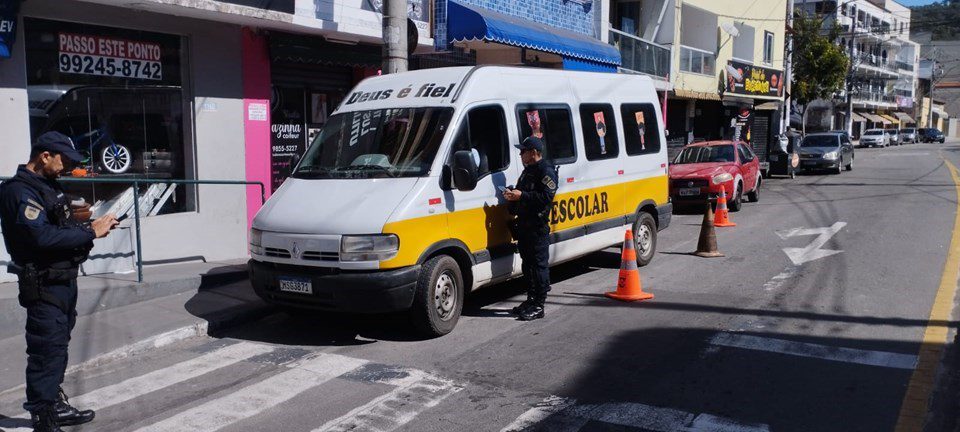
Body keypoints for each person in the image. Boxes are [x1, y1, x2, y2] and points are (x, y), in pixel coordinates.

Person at [0, 131, 118, 432]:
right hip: (43, 283)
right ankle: (44, 417)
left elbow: (58, 226)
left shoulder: (47, 185)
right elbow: (40, 237)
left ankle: (54, 402)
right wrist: (91, 231)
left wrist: (84, 223)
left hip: (63, 280)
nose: (68, 166)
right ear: (45, 156)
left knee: (57, 347)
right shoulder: (19, 191)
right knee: (45, 349)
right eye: (64, 159)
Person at [503, 136, 558, 321]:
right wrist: (512, 194)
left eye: (523, 151)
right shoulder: (528, 171)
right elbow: (522, 193)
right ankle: (531, 299)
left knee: (539, 266)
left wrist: (522, 195)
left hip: (537, 227)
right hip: (525, 226)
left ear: (534, 152)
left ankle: (539, 305)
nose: (520, 154)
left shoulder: (546, 170)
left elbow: (546, 197)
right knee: (527, 266)